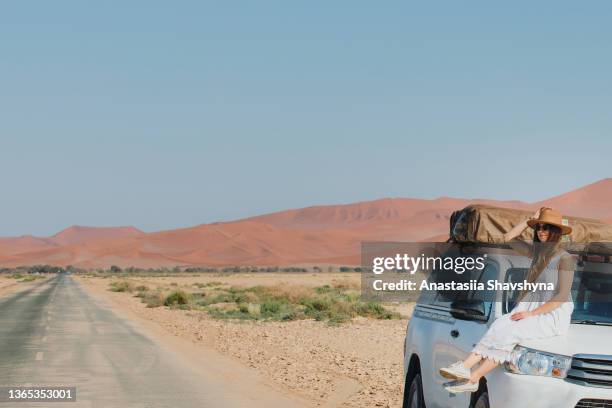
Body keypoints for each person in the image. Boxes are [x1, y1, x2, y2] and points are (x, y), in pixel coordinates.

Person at [439, 207, 575, 393]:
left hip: (551, 316)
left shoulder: (565, 259)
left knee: (511, 332)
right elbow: (507, 238)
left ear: (556, 231)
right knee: (501, 323)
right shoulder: (537, 254)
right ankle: (465, 368)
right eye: (539, 227)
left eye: (546, 227)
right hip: (532, 311)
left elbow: (561, 296)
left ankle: (473, 377)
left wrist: (531, 313)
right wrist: (529, 220)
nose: (541, 231)